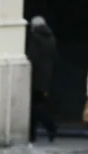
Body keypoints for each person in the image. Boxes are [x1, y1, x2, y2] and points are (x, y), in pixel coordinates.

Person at [26, 15, 58, 143]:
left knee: (35, 106)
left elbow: (32, 57)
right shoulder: (51, 38)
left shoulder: (35, 38)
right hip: (46, 76)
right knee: (36, 105)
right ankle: (32, 134)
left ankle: (50, 126)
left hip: (35, 76)